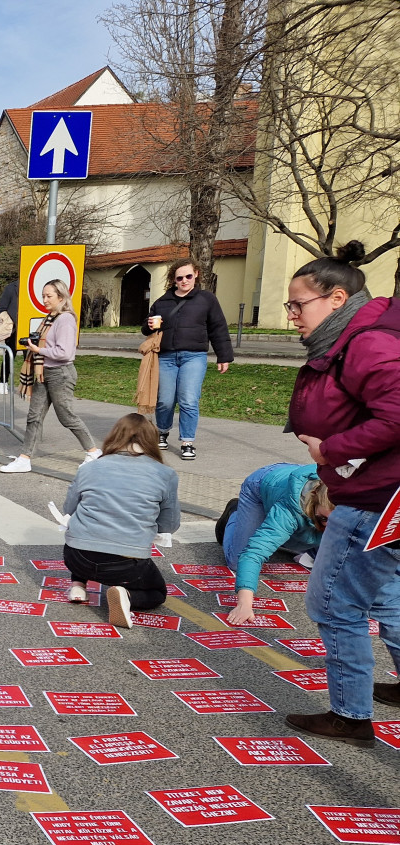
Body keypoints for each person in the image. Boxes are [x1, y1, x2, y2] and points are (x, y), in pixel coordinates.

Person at [279, 241, 400, 748]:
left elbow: (395, 415)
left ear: (334, 298)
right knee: (389, 595)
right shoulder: (352, 337)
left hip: (373, 498)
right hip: (380, 493)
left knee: (334, 604)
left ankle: (350, 715)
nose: (291, 318)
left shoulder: (367, 343)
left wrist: (330, 449)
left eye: (297, 305)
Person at [61, 413, 181, 627]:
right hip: (126, 565)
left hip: (77, 557)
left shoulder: (89, 467)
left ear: (114, 436)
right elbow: (169, 525)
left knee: (82, 529)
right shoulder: (165, 474)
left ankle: (78, 585)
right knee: (158, 592)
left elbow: (69, 509)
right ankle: (127, 595)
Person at [0, 280, 103, 473]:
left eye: (49, 296)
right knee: (34, 416)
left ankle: (93, 451)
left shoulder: (65, 319)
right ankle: (25, 458)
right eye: (43, 295)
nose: (44, 299)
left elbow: (65, 353)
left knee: (66, 416)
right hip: (43, 372)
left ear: (61, 298)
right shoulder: (51, 317)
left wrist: (38, 349)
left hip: (60, 373)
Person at [141, 259, 234, 460]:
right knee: (165, 401)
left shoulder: (206, 299)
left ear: (196, 274)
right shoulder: (163, 302)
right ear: (174, 280)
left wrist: (223, 355)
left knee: (189, 399)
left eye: (188, 276)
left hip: (194, 356)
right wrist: (149, 325)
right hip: (166, 357)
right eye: (179, 278)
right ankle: (162, 431)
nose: (184, 281)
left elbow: (218, 327)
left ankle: (187, 442)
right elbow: (145, 328)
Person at [219, 464, 329, 626]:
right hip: (260, 485)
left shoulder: (353, 507)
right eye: (323, 519)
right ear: (314, 505)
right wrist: (244, 604)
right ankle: (235, 513)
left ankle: (283, 533)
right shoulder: (290, 511)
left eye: (336, 521)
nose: (329, 526)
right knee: (237, 560)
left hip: (290, 483)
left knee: (328, 556)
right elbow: (253, 553)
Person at [0, 278, 20, 394]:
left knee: (29, 358)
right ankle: (3, 382)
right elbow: (1, 309)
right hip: (13, 328)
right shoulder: (11, 288)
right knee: (9, 355)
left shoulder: (34, 287)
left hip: (28, 328)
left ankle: (27, 385)